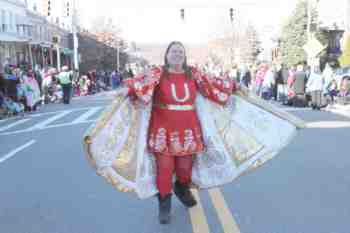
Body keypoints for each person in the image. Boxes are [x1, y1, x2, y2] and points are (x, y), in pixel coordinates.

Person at [83, 41, 304, 225]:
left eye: (181, 51)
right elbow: (139, 84)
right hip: (162, 129)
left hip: (189, 129)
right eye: (173, 51)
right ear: (167, 55)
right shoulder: (157, 74)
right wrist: (126, 89)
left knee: (184, 169)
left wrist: (235, 87)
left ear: (184, 56)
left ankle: (181, 186)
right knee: (165, 168)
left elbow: (214, 83)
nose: (177, 54)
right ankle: (164, 204)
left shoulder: (194, 74)